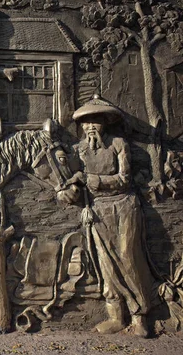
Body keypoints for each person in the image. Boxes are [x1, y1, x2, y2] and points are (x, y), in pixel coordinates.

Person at [58, 95, 154, 338]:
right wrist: (70, 190)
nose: (90, 127)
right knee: (105, 263)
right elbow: (72, 184)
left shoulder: (119, 144)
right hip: (97, 212)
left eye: (96, 121)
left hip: (124, 207)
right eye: (86, 122)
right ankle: (115, 316)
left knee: (128, 258)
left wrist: (92, 180)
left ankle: (139, 315)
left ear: (106, 122)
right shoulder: (78, 151)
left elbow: (124, 179)